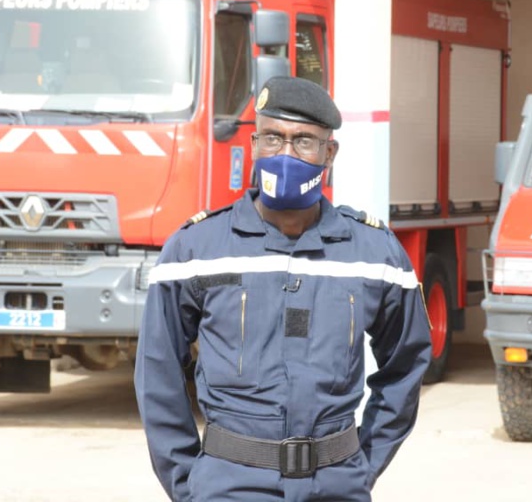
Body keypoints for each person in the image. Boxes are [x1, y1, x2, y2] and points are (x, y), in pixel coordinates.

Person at [134, 76, 432, 501]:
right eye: (273, 137)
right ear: (254, 145)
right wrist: (188, 483)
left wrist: (363, 465)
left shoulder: (374, 253)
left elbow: (407, 362)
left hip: (337, 484)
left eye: (304, 141)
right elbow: (156, 371)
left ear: (330, 153)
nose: (286, 154)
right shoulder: (195, 249)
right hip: (230, 485)